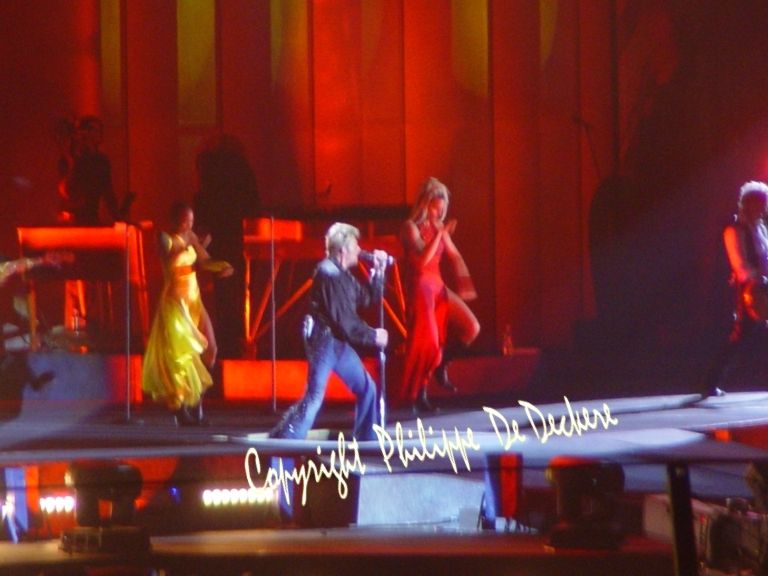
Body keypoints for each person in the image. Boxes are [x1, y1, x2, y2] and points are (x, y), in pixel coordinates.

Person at [269, 222, 388, 441]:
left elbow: (366, 297)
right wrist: (373, 336)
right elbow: (345, 320)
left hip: (338, 343)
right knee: (315, 396)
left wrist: (378, 273)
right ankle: (286, 441)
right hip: (324, 343)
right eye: (355, 246)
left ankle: (367, 438)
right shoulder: (328, 273)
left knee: (367, 388)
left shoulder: (342, 274)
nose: (359, 250)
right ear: (342, 250)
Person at [141, 201, 233, 426]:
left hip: (194, 300)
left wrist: (221, 266)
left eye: (191, 221)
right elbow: (170, 257)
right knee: (181, 357)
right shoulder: (165, 238)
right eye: (184, 221)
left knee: (211, 349)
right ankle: (181, 408)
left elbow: (204, 261)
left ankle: (196, 403)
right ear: (175, 220)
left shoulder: (191, 237)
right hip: (176, 302)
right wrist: (193, 243)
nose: (188, 225)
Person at [400, 177, 480, 413]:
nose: (441, 213)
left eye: (443, 209)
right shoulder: (410, 227)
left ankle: (441, 365)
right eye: (437, 207)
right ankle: (419, 394)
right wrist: (439, 234)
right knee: (429, 342)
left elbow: (454, 255)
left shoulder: (439, 229)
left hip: (437, 285)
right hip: (421, 287)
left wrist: (465, 282)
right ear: (426, 204)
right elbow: (422, 261)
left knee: (471, 328)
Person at [704, 180, 768, 396]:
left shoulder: (760, 228)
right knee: (739, 337)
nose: (764, 208)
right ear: (748, 204)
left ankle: (711, 382)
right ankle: (710, 381)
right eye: (760, 203)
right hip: (749, 290)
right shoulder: (735, 230)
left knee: (744, 337)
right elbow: (740, 265)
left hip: (763, 287)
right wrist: (759, 278)